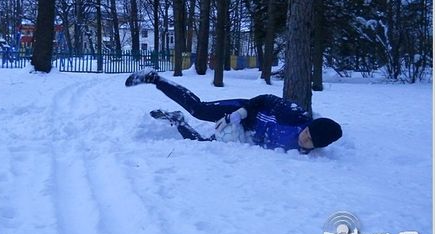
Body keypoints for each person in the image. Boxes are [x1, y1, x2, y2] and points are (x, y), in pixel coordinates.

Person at [125, 68, 342, 153]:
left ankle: (178, 120)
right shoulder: (294, 115)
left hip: (244, 132)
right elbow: (265, 98)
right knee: (199, 109)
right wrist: (240, 114)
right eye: (307, 132)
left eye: (311, 141)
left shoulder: (303, 151)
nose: (305, 138)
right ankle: (154, 78)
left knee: (204, 145)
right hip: (245, 111)